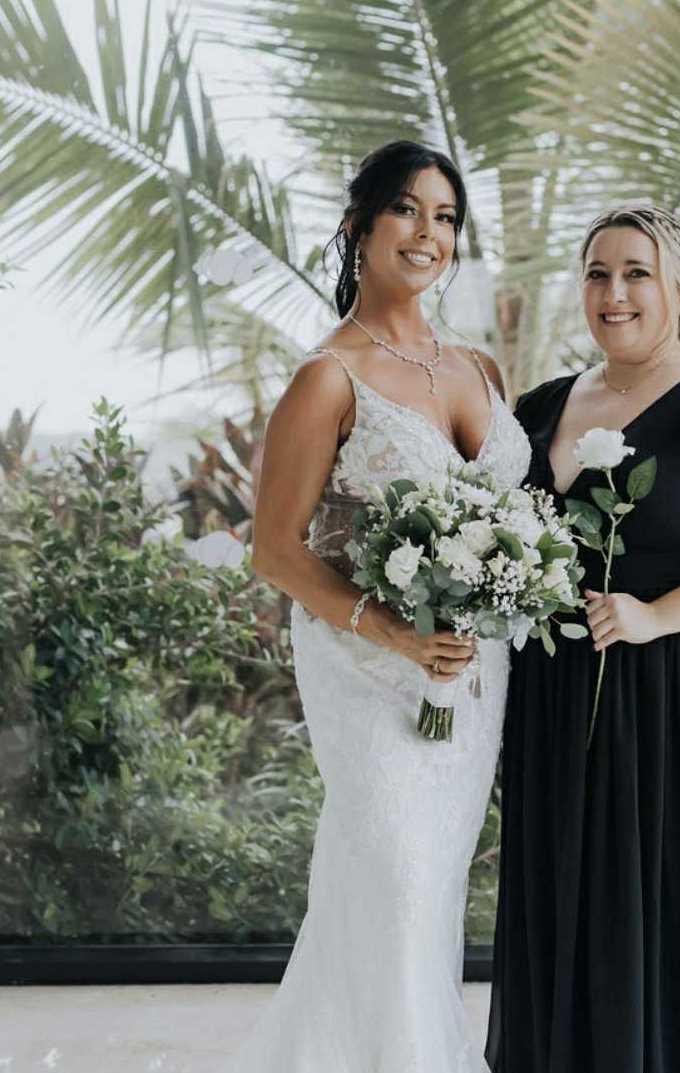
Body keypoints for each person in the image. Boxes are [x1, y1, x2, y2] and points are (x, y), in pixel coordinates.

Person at [228, 140, 531, 1072]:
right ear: (359, 224)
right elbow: (275, 549)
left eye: (446, 217)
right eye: (406, 208)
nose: (427, 233)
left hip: (469, 673)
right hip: (368, 667)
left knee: (425, 887)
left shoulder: (478, 366)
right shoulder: (328, 377)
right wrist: (395, 631)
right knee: (395, 875)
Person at [487, 204, 680, 1073]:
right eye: (597, 273)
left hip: (676, 697)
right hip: (555, 699)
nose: (613, 292)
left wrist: (654, 616)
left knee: (668, 898)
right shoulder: (541, 407)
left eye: (636, 273)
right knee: (567, 896)